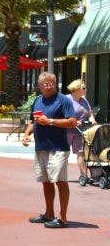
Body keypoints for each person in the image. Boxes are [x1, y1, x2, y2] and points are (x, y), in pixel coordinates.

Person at [22, 72, 77, 228]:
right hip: (41, 147)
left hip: (58, 148)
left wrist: (50, 121)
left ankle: (63, 218)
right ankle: (49, 214)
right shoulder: (37, 101)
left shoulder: (63, 100)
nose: (49, 86)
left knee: (60, 181)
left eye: (52, 83)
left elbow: (73, 122)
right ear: (39, 87)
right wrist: (27, 134)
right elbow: (33, 121)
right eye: (45, 84)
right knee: (46, 182)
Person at [65, 79, 96, 183]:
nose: (85, 89)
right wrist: (73, 121)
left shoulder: (84, 100)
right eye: (83, 88)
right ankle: (59, 174)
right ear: (76, 89)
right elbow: (60, 115)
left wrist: (92, 119)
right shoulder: (66, 99)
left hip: (80, 131)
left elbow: (89, 113)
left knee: (81, 153)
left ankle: (84, 176)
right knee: (64, 154)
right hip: (66, 131)